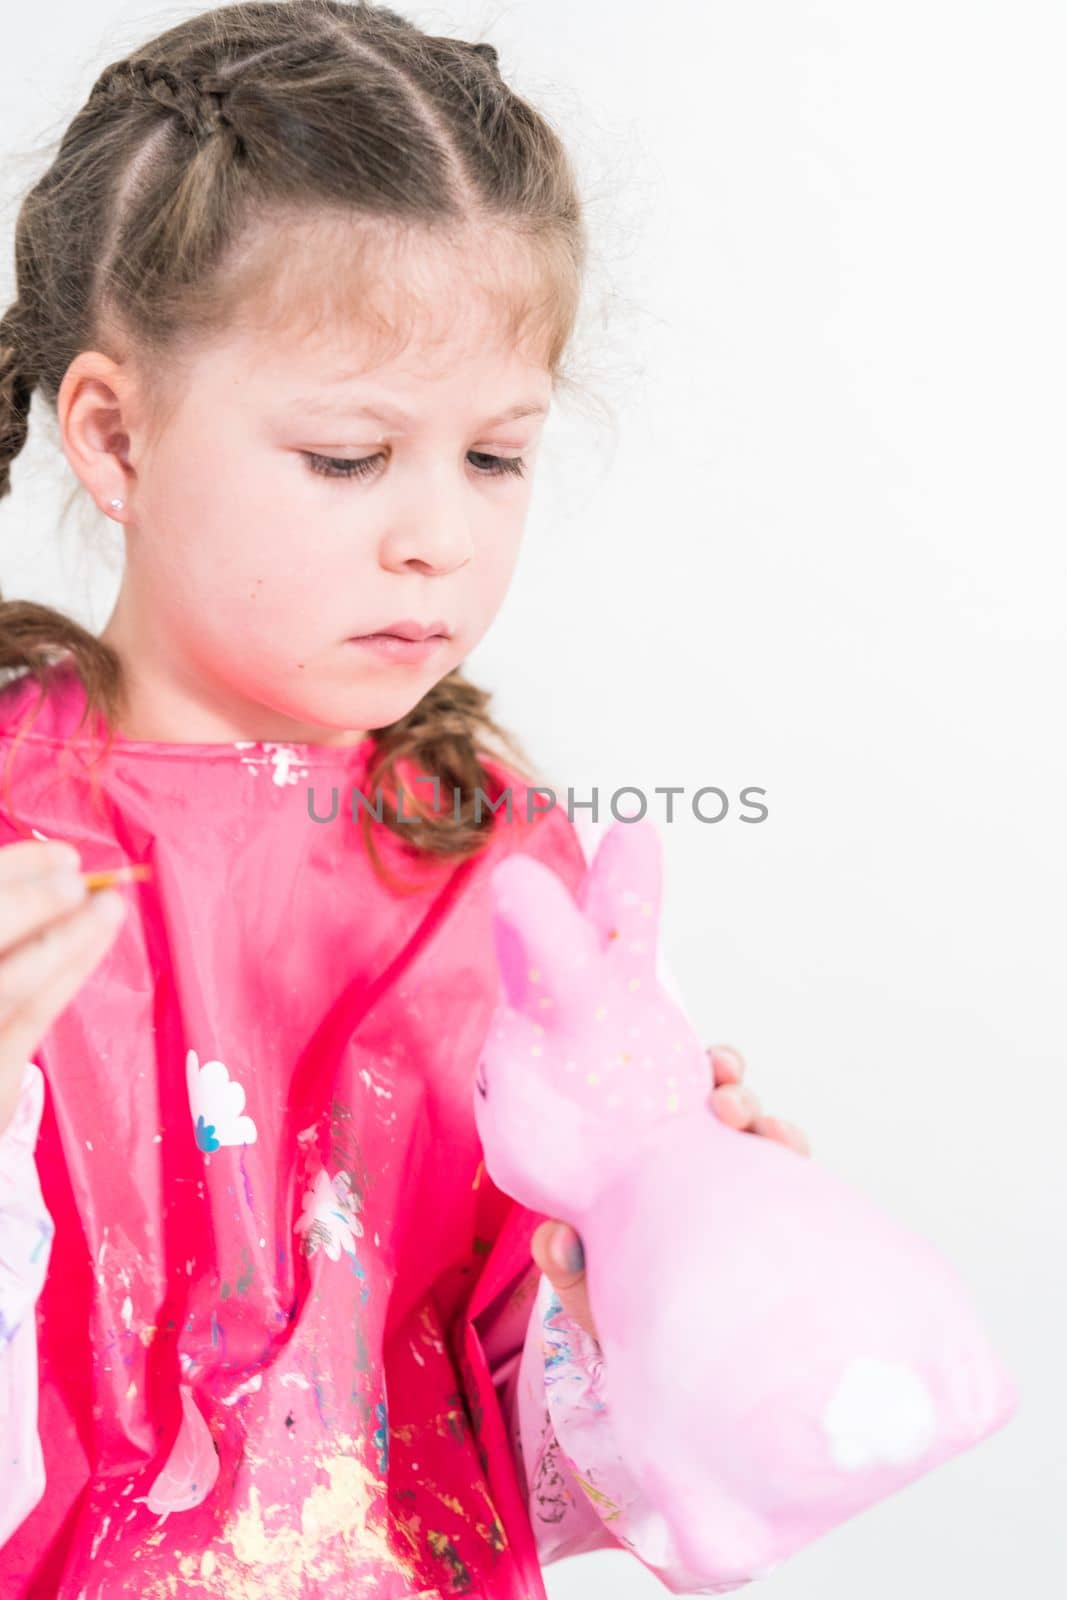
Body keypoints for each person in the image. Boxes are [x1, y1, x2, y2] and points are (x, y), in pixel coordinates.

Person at [0, 4, 809, 1595]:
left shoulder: (505, 876)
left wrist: (664, 1300)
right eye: (352, 457)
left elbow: (543, 1471)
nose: (437, 536)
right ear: (116, 433)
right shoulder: (28, 843)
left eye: (495, 458)